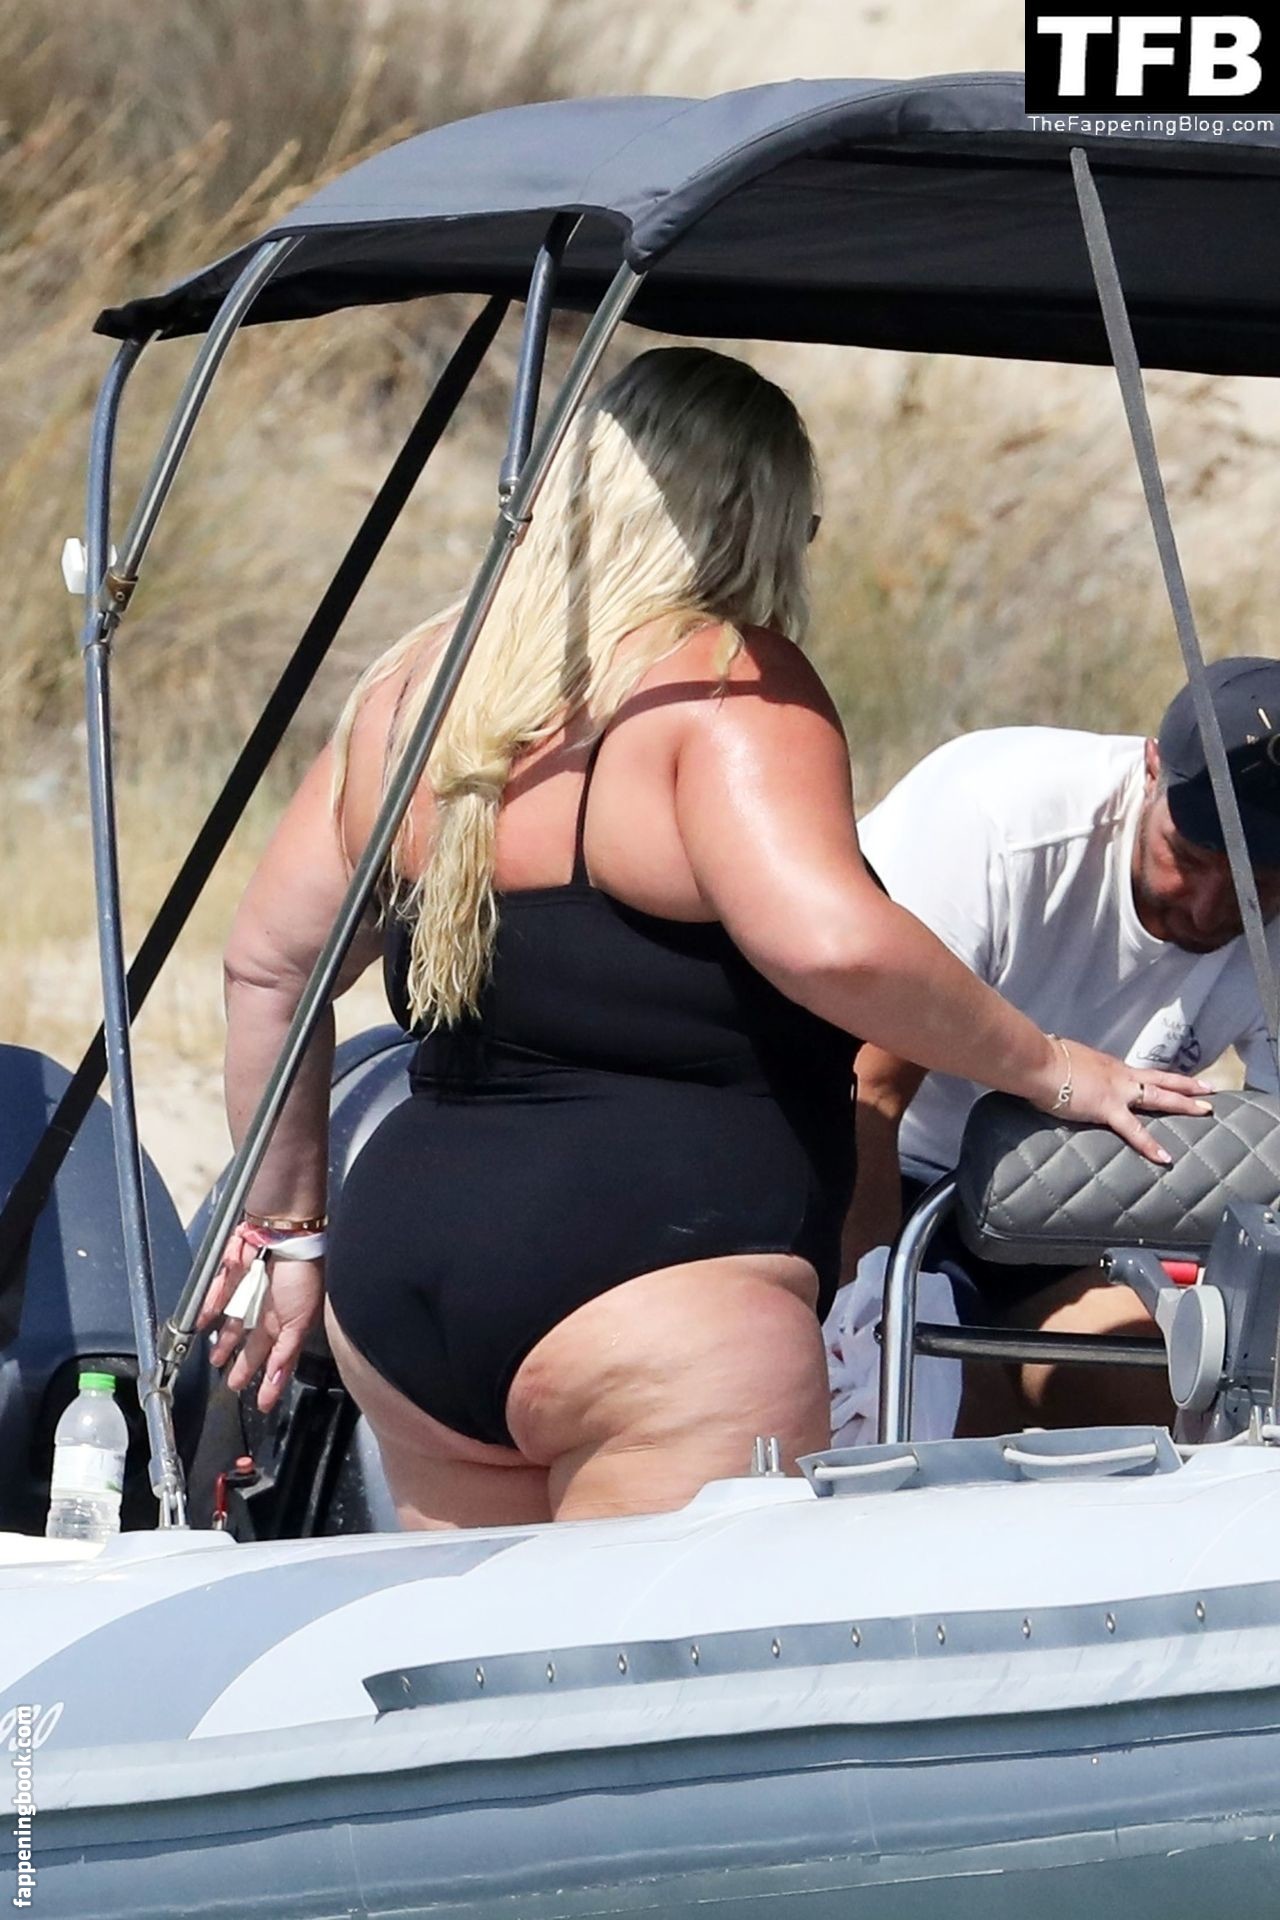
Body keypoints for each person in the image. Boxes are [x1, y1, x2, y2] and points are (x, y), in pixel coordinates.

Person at [199, 347, 1209, 1529]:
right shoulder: (725, 688)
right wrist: (1052, 1067)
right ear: (753, 521)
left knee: (470, 1648)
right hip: (657, 1290)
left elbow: (268, 969)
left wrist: (289, 1234)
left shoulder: (413, 695)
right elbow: (831, 945)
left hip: (407, 1276)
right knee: (671, 1646)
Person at [845, 655, 1280, 1431]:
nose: (1210, 908)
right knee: (936, 1418)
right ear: (1152, 767)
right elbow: (866, 1091)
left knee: (1179, 1414)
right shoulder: (997, 820)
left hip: (1066, 1210)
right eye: (1189, 857)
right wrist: (862, 1329)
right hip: (871, 1168)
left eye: (1262, 884)